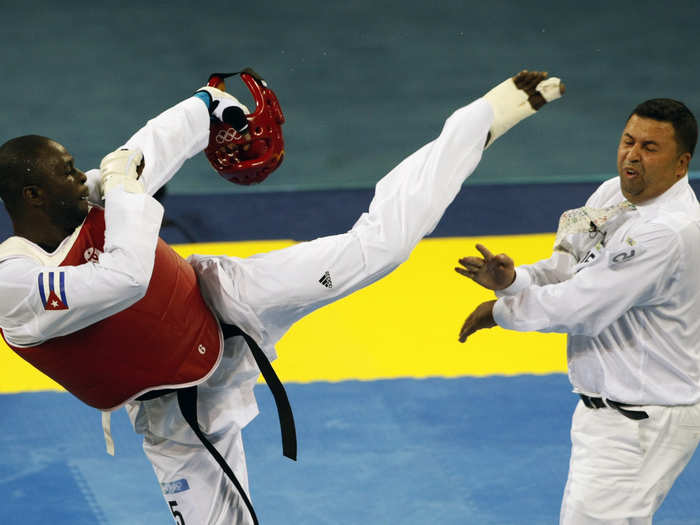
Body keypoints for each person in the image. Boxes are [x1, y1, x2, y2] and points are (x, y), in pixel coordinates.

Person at [0, 69, 563, 525]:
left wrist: (210, 105)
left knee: (380, 248)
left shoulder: (87, 201)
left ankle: (481, 119)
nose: (84, 179)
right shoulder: (15, 282)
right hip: (174, 411)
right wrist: (123, 187)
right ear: (33, 195)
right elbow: (122, 278)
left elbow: (147, 151)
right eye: (69, 173)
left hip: (219, 299)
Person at [456, 98, 700, 524]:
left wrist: (499, 313)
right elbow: (568, 268)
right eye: (628, 141)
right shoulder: (613, 193)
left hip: (643, 420)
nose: (632, 155)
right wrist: (514, 282)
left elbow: (582, 307)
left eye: (649, 148)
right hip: (609, 410)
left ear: (681, 165)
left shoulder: (665, 233)